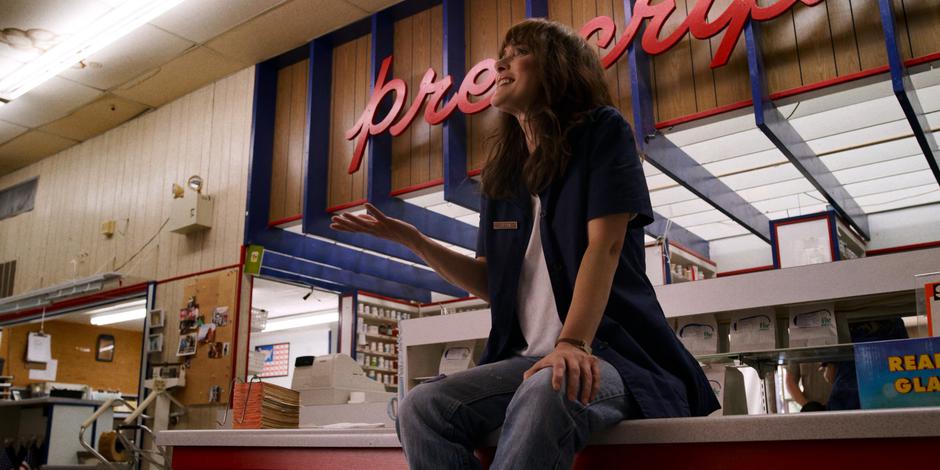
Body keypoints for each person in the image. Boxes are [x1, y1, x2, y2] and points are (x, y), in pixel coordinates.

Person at [331, 18, 719, 470]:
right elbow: (493, 284)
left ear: (556, 67)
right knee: (420, 407)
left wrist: (572, 343)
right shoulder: (503, 177)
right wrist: (414, 239)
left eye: (516, 52)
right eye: (501, 54)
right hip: (529, 360)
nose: (499, 62)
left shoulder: (603, 132)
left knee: (550, 385)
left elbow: (606, 247)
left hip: (613, 356)